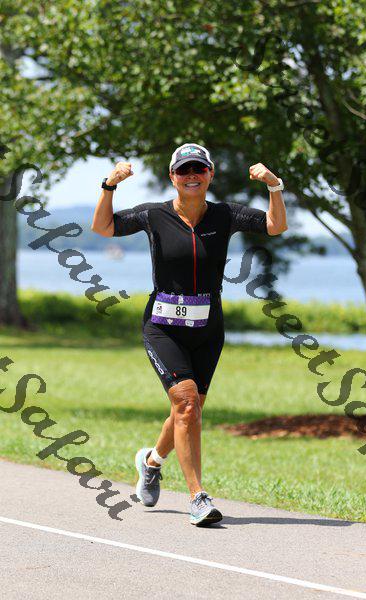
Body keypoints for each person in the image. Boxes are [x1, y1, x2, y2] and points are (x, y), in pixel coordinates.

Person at [91, 143, 287, 526]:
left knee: (189, 409)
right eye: (184, 170)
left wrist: (274, 187)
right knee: (186, 404)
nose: (191, 176)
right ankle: (197, 497)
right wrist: (109, 185)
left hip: (208, 329)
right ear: (172, 177)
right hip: (163, 326)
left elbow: (275, 225)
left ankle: (151, 463)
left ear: (210, 174)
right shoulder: (154, 215)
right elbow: (103, 227)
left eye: (199, 169)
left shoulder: (226, 215)